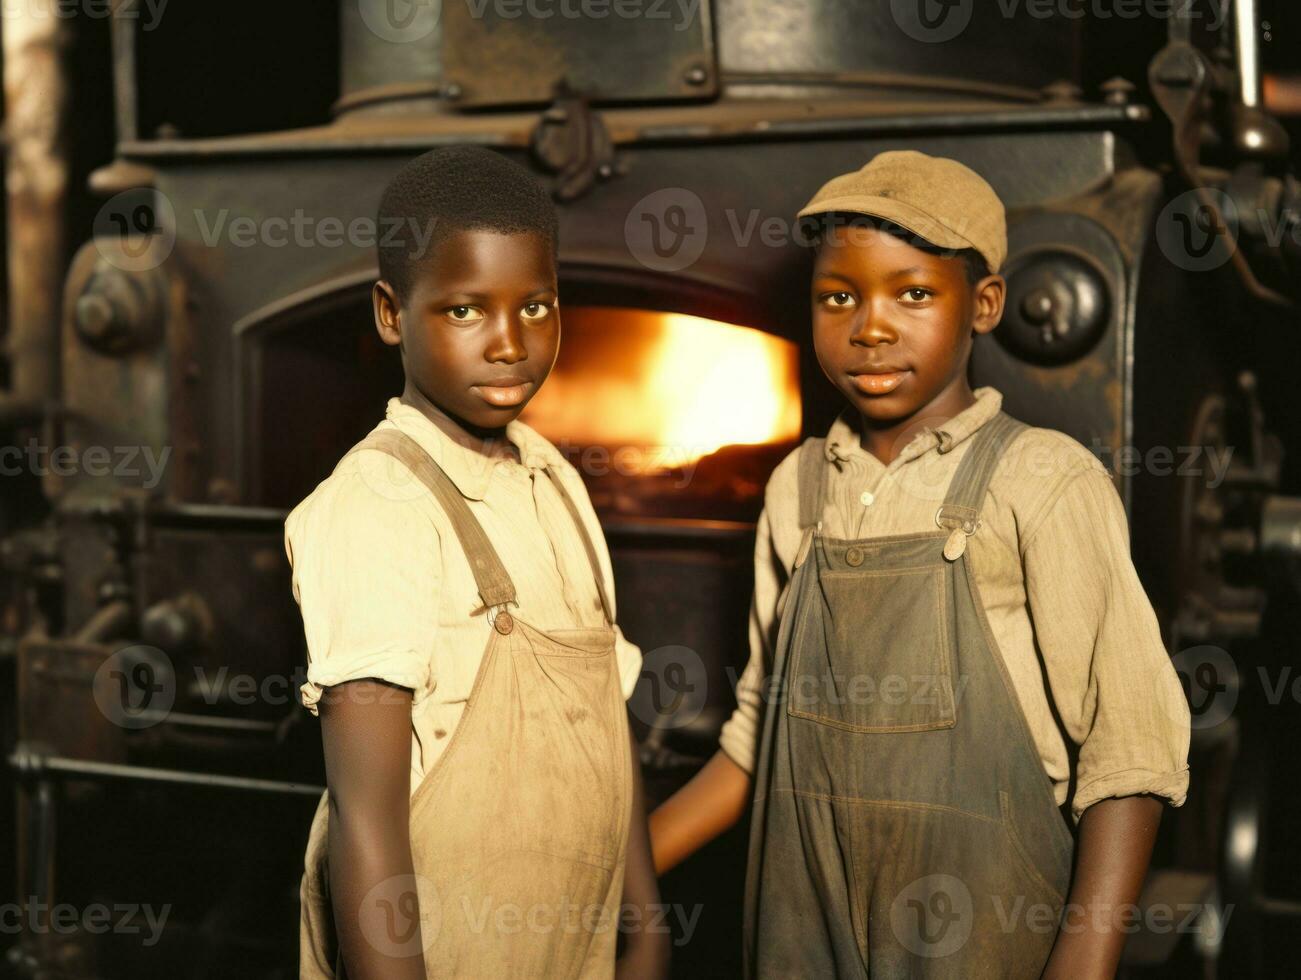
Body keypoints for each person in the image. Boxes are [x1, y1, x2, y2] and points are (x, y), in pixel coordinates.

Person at [648, 150, 1191, 979]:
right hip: (804, 922)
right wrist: (616, 875)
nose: (870, 327)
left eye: (912, 294)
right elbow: (756, 738)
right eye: (839, 297)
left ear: (983, 305)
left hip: (986, 926)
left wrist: (1081, 966)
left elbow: (1130, 751)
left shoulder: (1039, 479)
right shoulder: (798, 488)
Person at [286, 145, 667, 979]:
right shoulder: (377, 505)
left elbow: (606, 721)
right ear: (392, 314)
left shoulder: (554, 479)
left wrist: (645, 933)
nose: (507, 344)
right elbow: (367, 820)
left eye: (535, 307)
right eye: (465, 312)